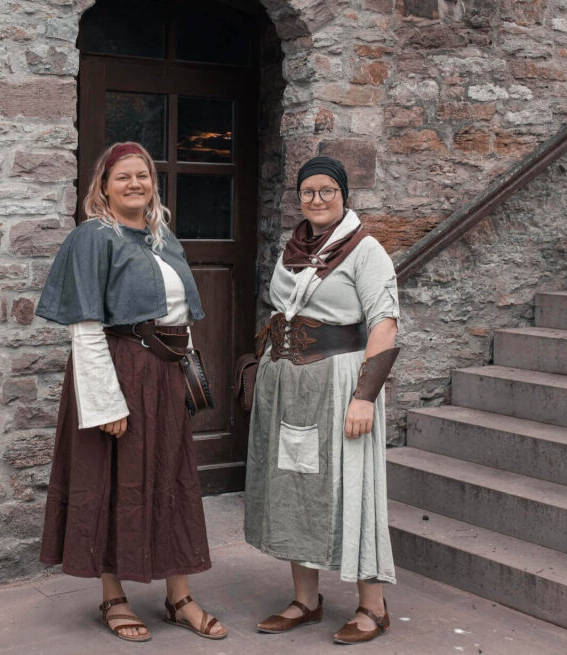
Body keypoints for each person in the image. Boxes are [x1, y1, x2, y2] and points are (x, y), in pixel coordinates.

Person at [35, 142, 227, 642]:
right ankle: (113, 596)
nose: (136, 184)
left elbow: (179, 313)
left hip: (163, 377)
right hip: (119, 373)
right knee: (114, 481)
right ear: (103, 185)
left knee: (172, 480)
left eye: (143, 176)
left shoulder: (161, 237)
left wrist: (183, 372)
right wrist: (104, 402)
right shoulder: (92, 237)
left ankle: (179, 596)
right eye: (124, 177)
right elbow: (85, 324)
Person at [244, 156, 401, 645]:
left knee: (351, 485)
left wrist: (364, 399)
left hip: (340, 384)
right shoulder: (292, 250)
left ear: (344, 197)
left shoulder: (366, 250)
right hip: (290, 386)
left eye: (326, 191)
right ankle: (306, 601)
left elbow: (385, 326)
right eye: (308, 191)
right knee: (296, 486)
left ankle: (372, 607)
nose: (316, 199)